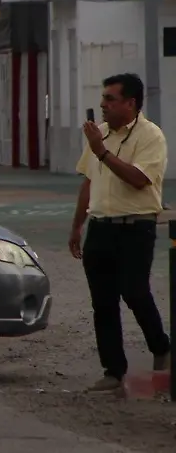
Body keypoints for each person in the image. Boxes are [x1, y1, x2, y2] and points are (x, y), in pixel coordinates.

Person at [69, 73, 171, 392]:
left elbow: (139, 179)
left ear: (131, 103)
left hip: (135, 227)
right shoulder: (100, 135)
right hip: (100, 227)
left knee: (135, 292)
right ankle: (113, 371)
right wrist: (77, 225)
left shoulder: (150, 136)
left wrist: (102, 152)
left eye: (110, 99)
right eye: (103, 99)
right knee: (103, 302)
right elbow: (88, 181)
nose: (103, 105)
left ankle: (162, 347)